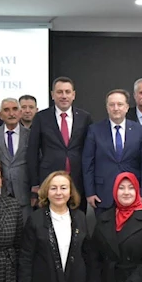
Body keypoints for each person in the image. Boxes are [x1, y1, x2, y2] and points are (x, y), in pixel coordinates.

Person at [83, 89, 142, 215]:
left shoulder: (139, 131)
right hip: (103, 194)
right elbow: (88, 163)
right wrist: (89, 192)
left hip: (132, 194)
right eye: (112, 104)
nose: (116, 108)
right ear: (107, 107)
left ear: (127, 107)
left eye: (120, 104)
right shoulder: (94, 130)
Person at [27, 77, 93, 208]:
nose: (64, 96)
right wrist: (35, 183)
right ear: (52, 95)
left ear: (73, 95)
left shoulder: (85, 117)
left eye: (67, 92)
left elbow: (90, 151)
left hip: (78, 180)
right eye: (59, 92)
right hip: (49, 180)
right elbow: (32, 152)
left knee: (77, 216)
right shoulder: (41, 117)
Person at [0, 98, 33, 221]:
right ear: (0, 115)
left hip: (24, 193)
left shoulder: (30, 135)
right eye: (6, 110)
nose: (11, 113)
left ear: (20, 113)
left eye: (15, 109)